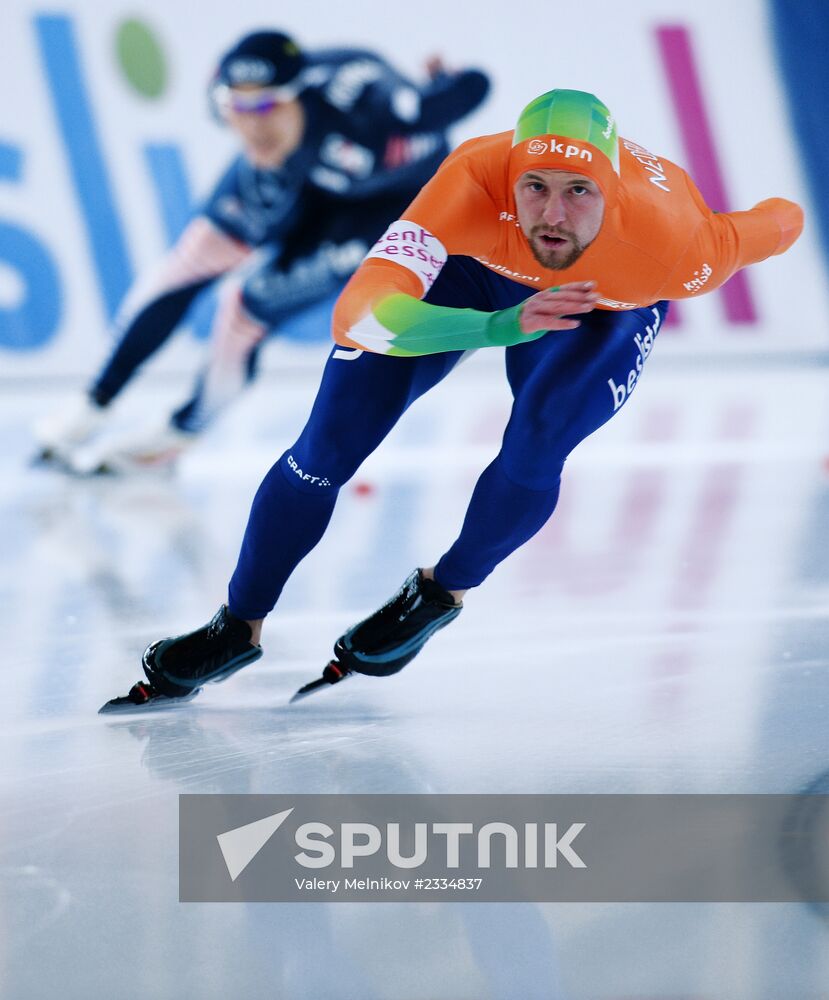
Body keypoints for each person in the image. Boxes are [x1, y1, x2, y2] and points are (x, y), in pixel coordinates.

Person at [100, 88, 803, 711]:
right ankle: (237, 625)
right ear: (509, 177)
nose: (552, 216)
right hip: (477, 278)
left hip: (599, 303)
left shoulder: (676, 244)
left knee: (538, 440)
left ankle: (443, 591)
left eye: (578, 192)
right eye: (534, 187)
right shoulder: (471, 178)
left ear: (613, 190)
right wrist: (495, 326)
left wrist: (788, 215)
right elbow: (360, 314)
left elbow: (778, 222)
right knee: (324, 447)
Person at [34, 30, 489, 474]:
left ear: (301, 93)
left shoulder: (368, 105)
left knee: (244, 310)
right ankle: (91, 404)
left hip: (383, 206)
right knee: (188, 263)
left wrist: (442, 88)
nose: (252, 124)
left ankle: (179, 432)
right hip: (304, 177)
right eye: (237, 108)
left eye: (268, 105)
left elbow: (473, 87)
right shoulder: (257, 131)